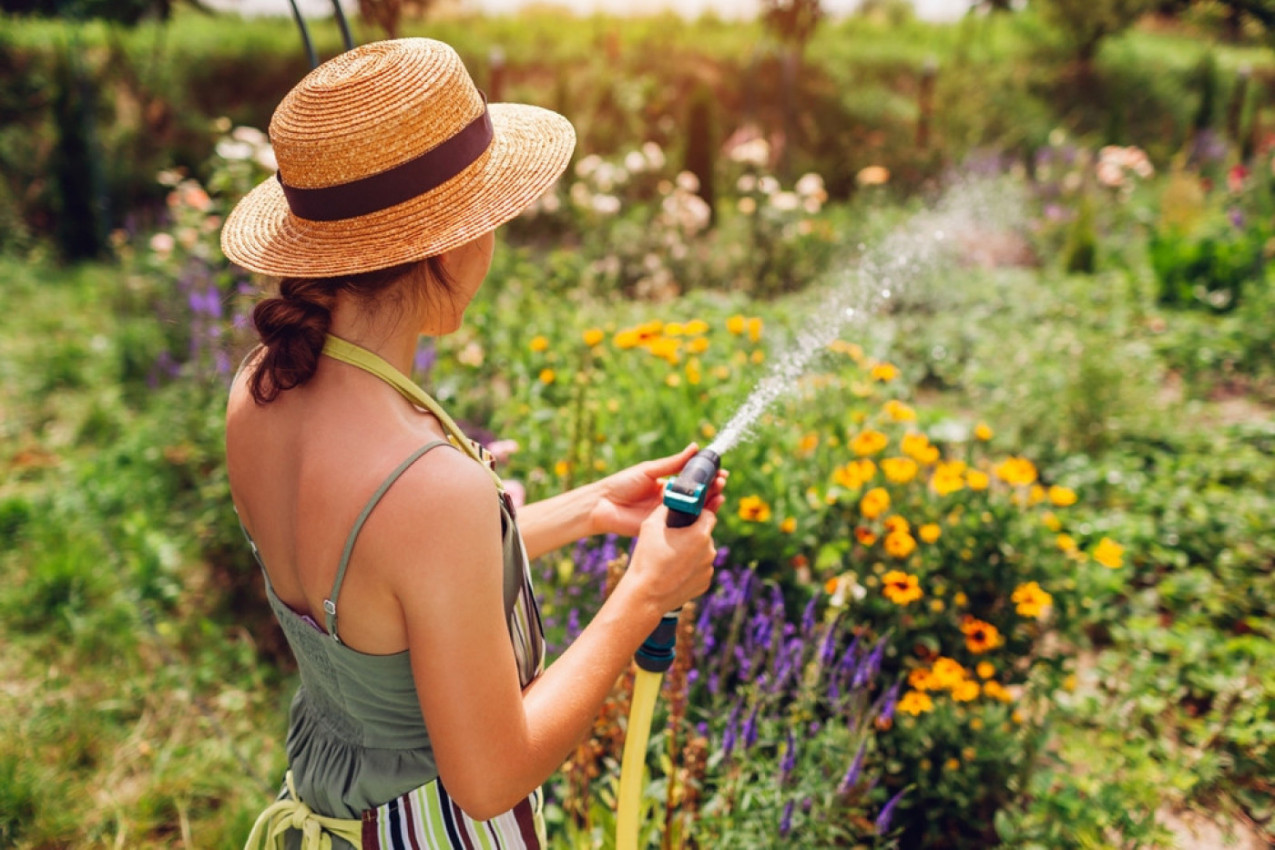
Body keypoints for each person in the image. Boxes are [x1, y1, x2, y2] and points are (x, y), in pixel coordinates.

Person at [219, 38, 726, 850]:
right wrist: (643, 593)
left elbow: (390, 589)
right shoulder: (425, 485)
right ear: (451, 241)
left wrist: (591, 508)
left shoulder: (260, 390)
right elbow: (489, 779)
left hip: (328, 814)